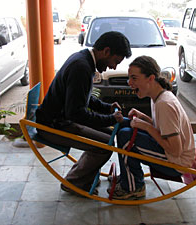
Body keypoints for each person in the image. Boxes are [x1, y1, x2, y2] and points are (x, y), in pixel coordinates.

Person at [35, 31, 132, 195]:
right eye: (115, 61)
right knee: (105, 146)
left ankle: (83, 175)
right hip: (54, 125)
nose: (114, 67)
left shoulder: (82, 59)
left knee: (107, 137)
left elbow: (83, 97)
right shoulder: (81, 67)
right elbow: (76, 113)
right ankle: (74, 182)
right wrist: (110, 118)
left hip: (58, 119)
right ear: (106, 51)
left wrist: (106, 108)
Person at [108, 56, 195, 199]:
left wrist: (147, 127)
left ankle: (133, 187)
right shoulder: (158, 96)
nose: (129, 83)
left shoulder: (164, 104)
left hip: (176, 163)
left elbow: (175, 149)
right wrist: (144, 118)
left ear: (151, 78)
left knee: (125, 137)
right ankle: (128, 177)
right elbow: (162, 128)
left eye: (134, 78)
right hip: (171, 154)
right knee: (123, 124)